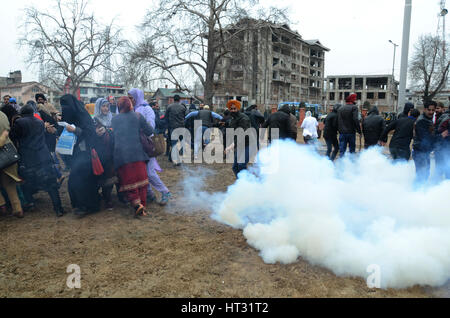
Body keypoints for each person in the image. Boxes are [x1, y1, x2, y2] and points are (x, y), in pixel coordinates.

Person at [10, 105, 64, 217]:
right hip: (43, 155)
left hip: (29, 157)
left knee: (27, 182)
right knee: (51, 184)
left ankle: (31, 203)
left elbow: (13, 136)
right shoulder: (40, 122)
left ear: (22, 113)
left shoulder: (19, 122)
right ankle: (58, 209)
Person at [128, 89, 172, 206]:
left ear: (137, 97)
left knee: (149, 172)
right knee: (142, 172)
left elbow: (150, 127)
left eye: (131, 97)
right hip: (136, 145)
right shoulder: (132, 109)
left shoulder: (147, 109)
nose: (130, 100)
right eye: (128, 97)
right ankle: (149, 194)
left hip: (146, 145)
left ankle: (165, 192)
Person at [112, 96, 154, 217]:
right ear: (130, 105)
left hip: (122, 155)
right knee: (142, 181)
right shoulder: (138, 116)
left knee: (129, 182)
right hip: (138, 153)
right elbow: (149, 131)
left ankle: (137, 205)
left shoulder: (115, 120)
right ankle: (142, 206)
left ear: (119, 106)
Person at [60, 94, 100, 216]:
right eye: (62, 106)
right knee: (75, 181)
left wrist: (75, 130)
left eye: (66, 105)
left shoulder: (83, 115)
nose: (64, 108)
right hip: (73, 154)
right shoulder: (69, 115)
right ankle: (80, 205)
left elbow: (90, 132)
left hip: (85, 152)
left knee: (82, 180)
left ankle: (86, 206)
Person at [0, 111, 23, 218]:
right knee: (9, 184)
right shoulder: (3, 114)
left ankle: (2, 206)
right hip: (8, 153)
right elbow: (7, 130)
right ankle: (17, 208)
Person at [224, 100, 252, 177]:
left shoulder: (244, 118)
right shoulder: (232, 119)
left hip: (248, 144)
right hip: (239, 145)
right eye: (231, 109)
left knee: (241, 165)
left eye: (234, 108)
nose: (233, 110)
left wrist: (231, 146)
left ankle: (247, 183)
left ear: (238, 108)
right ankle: (241, 184)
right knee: (235, 167)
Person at [412, 101, 436, 184]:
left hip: (424, 151)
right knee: (422, 176)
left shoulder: (428, 120)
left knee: (425, 175)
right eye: (429, 110)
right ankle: (416, 193)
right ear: (424, 109)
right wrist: (440, 136)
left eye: (433, 110)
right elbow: (426, 138)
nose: (431, 112)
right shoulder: (422, 121)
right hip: (420, 151)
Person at [165, 95, 188, 165]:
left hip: (173, 127)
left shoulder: (169, 107)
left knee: (174, 144)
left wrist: (168, 126)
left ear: (173, 99)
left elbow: (166, 117)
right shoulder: (183, 107)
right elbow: (185, 117)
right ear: (179, 100)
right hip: (181, 127)